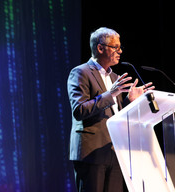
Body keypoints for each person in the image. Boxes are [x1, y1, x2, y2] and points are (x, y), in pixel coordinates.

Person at [67, 27, 154, 192]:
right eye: (115, 47)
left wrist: (130, 101)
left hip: (114, 151)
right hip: (91, 153)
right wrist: (111, 93)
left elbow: (116, 115)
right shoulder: (80, 73)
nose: (120, 51)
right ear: (100, 48)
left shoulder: (115, 78)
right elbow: (79, 111)